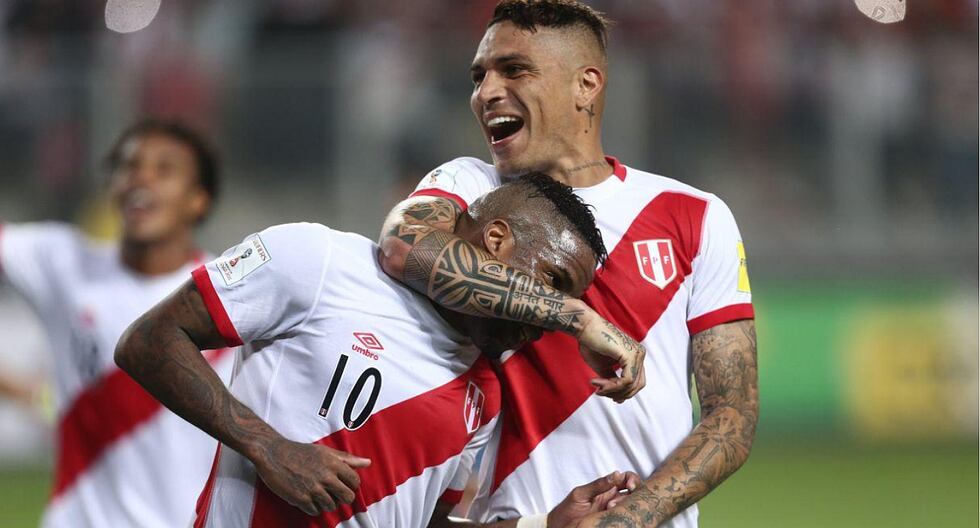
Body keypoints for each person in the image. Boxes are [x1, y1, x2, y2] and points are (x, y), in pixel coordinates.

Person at [377, 1, 759, 527]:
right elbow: (404, 245)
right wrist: (580, 320)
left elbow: (732, 415)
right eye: (479, 76)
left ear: (586, 85)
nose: (486, 93)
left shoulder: (694, 215)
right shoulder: (471, 189)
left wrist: (626, 519)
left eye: (514, 70)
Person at [115, 174, 647, 527]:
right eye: (554, 281)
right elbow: (148, 340)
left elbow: (431, 525)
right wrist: (267, 447)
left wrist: (545, 525)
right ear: (496, 241)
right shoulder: (321, 263)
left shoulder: (483, 394)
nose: (550, 316)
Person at [0, 118, 234, 527]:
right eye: (129, 166)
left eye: (164, 169)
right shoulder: (65, 262)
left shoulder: (231, 296)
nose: (141, 178)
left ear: (199, 200)